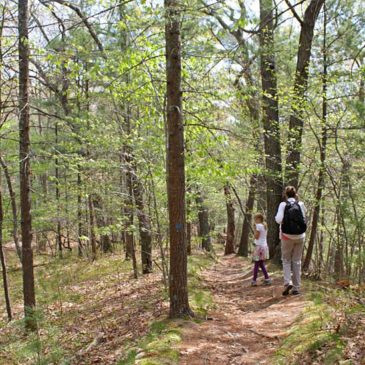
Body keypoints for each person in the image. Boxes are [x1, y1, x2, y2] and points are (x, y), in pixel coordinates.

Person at [275, 186, 307, 296]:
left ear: (286, 194)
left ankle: (287, 282)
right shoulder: (301, 205)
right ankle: (296, 288)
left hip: (287, 236)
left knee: (286, 260)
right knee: (297, 261)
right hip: (300, 236)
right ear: (295, 194)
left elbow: (278, 220)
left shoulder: (283, 205)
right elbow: (304, 219)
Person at [251, 213, 271, 286]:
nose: (255, 221)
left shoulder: (258, 226)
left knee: (256, 263)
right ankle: (267, 278)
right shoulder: (264, 226)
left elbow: (256, 237)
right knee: (261, 263)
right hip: (264, 247)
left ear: (259, 219)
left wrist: (254, 230)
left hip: (258, 247)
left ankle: (254, 280)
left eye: (255, 219)